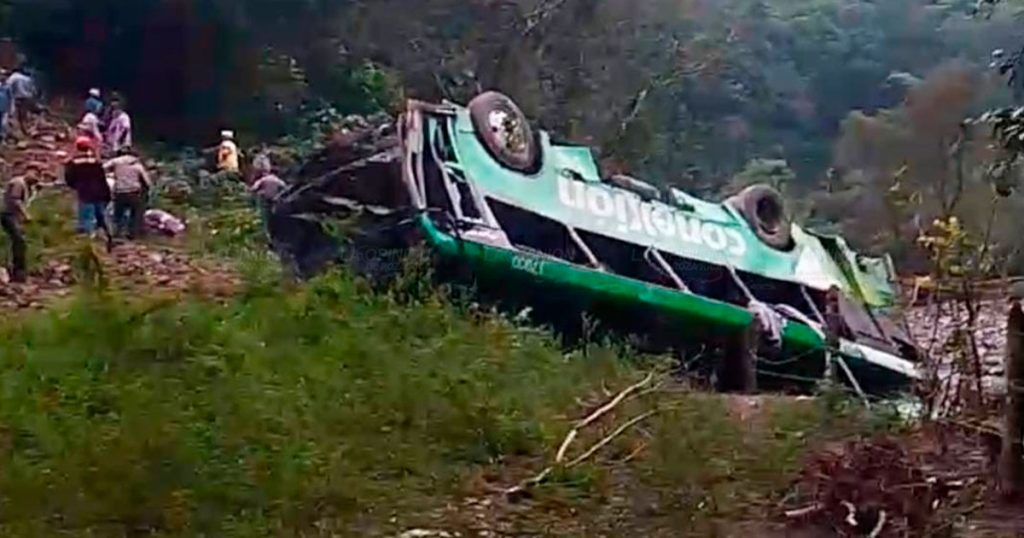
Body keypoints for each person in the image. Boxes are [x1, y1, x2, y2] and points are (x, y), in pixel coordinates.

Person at [64, 136, 113, 250]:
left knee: (87, 218)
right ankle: (109, 235)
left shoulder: (74, 162)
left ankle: (89, 243)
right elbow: (102, 177)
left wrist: (76, 186)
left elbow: (69, 178)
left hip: (85, 193)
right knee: (102, 215)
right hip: (100, 192)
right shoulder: (96, 160)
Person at [104, 146, 151, 239]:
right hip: (134, 192)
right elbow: (147, 182)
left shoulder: (116, 161)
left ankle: (116, 233)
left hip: (119, 191)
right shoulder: (137, 165)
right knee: (136, 214)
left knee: (118, 214)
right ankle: (132, 234)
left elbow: (102, 168)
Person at [1, 172, 36, 282]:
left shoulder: (27, 186)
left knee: (17, 240)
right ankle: (18, 272)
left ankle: (16, 270)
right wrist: (25, 214)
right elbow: (15, 200)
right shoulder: (18, 183)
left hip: (9, 214)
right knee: (19, 241)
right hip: (5, 213)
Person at [249, 164, 286, 235]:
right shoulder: (278, 181)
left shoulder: (264, 179)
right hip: (275, 201)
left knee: (264, 218)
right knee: (274, 218)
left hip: (264, 200)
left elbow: (253, 188)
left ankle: (266, 234)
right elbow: (285, 189)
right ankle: (275, 233)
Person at [6, 65, 37, 138]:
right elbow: (33, 90)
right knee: (24, 115)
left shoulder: (13, 77)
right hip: (28, 98)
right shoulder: (28, 78)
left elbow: (7, 86)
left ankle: (21, 132)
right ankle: (26, 130)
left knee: (16, 115)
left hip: (18, 98)